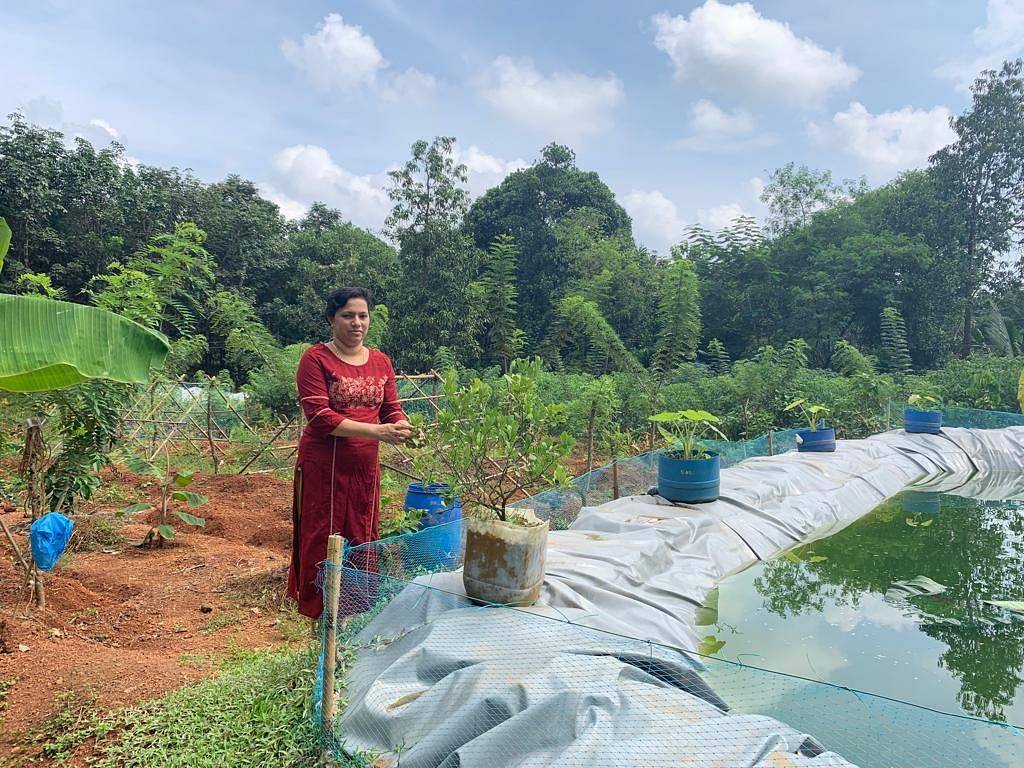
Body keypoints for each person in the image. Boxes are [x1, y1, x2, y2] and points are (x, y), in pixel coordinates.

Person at [287, 286, 413, 619]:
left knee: (362, 531)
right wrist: (378, 432)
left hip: (364, 467)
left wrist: (401, 425)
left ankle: (356, 607)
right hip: (324, 465)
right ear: (331, 319)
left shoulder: (381, 361)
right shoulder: (316, 359)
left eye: (362, 315)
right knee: (322, 532)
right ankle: (321, 610)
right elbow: (320, 417)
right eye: (347, 315)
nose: (356, 323)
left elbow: (391, 408)